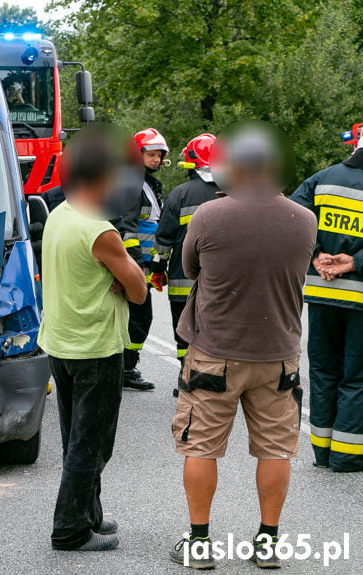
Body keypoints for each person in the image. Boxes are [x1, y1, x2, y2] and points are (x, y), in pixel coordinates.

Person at [169, 125, 316, 569]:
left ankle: (199, 544)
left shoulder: (210, 216)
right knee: (276, 449)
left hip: (214, 352)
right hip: (278, 356)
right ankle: (268, 544)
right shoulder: (303, 220)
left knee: (202, 447)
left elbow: (190, 266)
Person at [38, 127, 147, 552]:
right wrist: (124, 280)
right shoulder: (101, 230)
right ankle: (70, 530)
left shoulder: (61, 214)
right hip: (94, 347)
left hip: (62, 342)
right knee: (92, 445)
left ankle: (90, 515)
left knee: (75, 438)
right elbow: (137, 291)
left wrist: (115, 279)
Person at [290, 125, 363, 472]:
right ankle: (347, 456)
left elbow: (293, 219)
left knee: (322, 372)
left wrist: (317, 255)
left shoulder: (323, 179)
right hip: (360, 296)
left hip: (321, 293)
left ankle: (322, 452)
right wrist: (353, 262)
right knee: (357, 377)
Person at [154, 134, 220, 365]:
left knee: (184, 333)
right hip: (225, 285)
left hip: (183, 281)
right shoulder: (237, 192)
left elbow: (163, 239)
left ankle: (187, 377)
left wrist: (157, 269)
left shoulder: (179, 195)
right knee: (217, 333)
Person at [118, 128, 169, 390]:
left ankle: (126, 367)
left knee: (137, 316)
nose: (157, 159)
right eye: (151, 154)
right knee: (139, 317)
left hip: (145, 265)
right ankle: (125, 369)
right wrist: (135, 264)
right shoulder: (130, 183)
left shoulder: (149, 184)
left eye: (160, 155)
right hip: (134, 265)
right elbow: (127, 229)